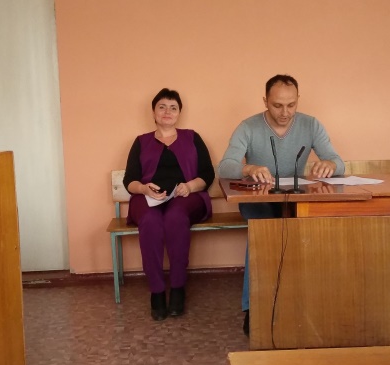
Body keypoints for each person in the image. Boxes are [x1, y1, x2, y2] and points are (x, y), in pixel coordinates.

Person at [218, 74, 344, 334]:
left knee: (312, 231)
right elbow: (225, 167)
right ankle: (254, 308)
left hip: (295, 198)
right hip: (258, 198)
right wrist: (248, 168)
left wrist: (329, 164)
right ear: (265, 101)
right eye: (277, 105)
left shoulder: (311, 124)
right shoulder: (248, 127)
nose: (285, 112)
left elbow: (338, 162)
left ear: (298, 100)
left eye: (291, 105)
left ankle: (299, 302)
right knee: (263, 233)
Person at [123, 88, 215, 320]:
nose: (168, 111)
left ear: (179, 113)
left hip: (185, 197)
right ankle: (156, 291)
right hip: (148, 198)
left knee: (175, 218)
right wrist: (144, 189)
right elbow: (129, 180)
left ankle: (177, 287)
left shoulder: (192, 137)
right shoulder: (141, 142)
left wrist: (190, 186)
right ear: (154, 112)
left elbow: (207, 174)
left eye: (173, 107)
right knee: (150, 221)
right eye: (162, 107)